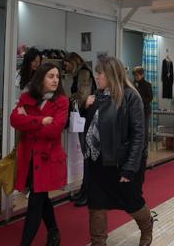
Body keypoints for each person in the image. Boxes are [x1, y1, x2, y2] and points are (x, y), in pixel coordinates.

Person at [84, 56, 153, 246]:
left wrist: (130, 167)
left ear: (111, 75)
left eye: (100, 73)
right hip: (98, 162)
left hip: (122, 163)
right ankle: (98, 242)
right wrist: (85, 107)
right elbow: (93, 127)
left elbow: (139, 135)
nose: (96, 77)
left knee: (132, 201)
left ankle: (147, 228)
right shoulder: (97, 96)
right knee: (96, 203)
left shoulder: (131, 96)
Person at [10, 63, 69, 246]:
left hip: (47, 159)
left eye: (57, 76)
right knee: (41, 198)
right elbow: (14, 119)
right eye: (50, 76)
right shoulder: (27, 97)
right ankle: (53, 232)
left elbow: (54, 130)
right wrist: (40, 120)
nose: (55, 80)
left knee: (35, 202)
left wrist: (27, 123)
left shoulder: (62, 101)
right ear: (41, 78)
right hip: (29, 158)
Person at [63, 52, 96, 207]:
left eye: (67, 64)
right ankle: (85, 190)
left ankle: (87, 192)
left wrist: (68, 100)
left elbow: (83, 98)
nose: (66, 68)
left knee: (87, 157)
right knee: (86, 158)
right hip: (85, 118)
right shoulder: (82, 73)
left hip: (86, 119)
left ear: (73, 62)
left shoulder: (83, 73)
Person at [133, 65, 153, 148]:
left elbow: (150, 98)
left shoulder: (147, 84)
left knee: (144, 130)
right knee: (136, 130)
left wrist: (140, 100)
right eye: (134, 75)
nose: (136, 77)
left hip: (145, 110)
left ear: (142, 75)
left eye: (137, 75)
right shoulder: (133, 84)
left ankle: (144, 148)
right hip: (135, 111)